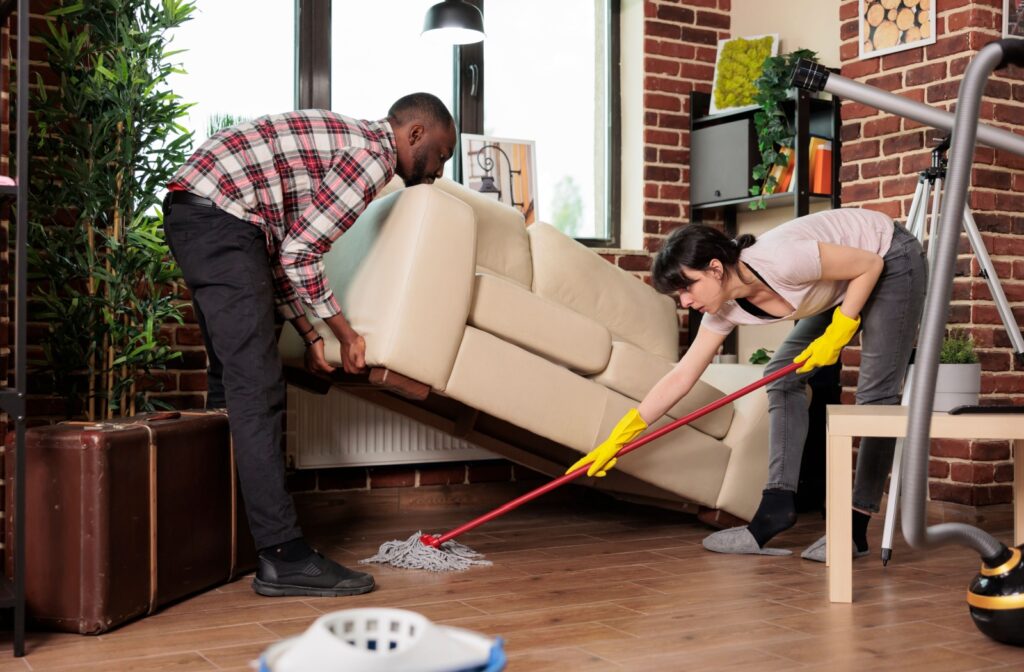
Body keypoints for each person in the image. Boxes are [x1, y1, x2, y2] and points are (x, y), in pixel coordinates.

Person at [163, 93, 457, 596]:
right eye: (440, 157)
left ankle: (223, 537)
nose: (437, 172)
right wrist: (344, 335)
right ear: (413, 135)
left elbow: (279, 252)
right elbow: (301, 254)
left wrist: (308, 334)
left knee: (229, 384)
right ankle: (282, 556)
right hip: (219, 218)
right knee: (257, 391)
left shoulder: (353, 143)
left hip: (204, 213)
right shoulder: (373, 157)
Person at [568, 208, 927, 560]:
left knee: (874, 396)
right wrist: (621, 436)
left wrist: (838, 331)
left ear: (715, 268)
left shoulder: (782, 260)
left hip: (888, 257)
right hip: (844, 281)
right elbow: (682, 375)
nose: (686, 302)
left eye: (687, 287)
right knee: (782, 377)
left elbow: (869, 265)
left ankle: (855, 526)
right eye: (679, 296)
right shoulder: (723, 307)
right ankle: (776, 506)